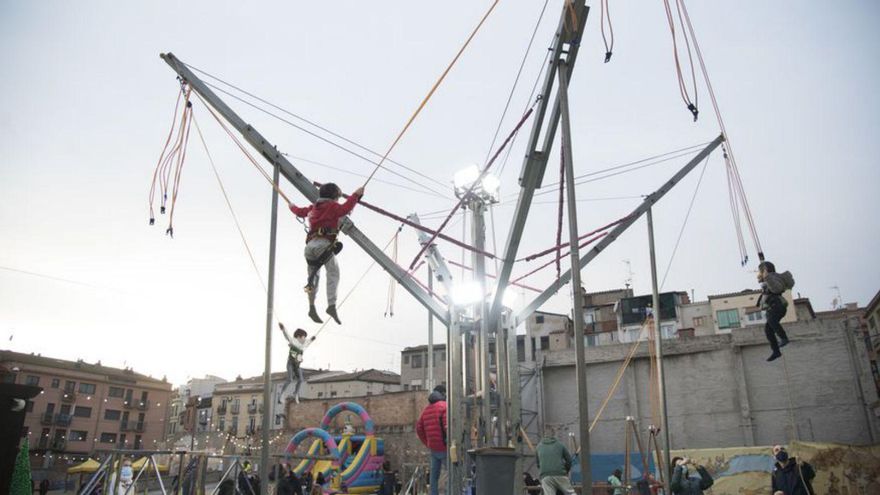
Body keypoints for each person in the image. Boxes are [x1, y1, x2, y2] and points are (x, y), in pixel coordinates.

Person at [289, 182, 365, 324]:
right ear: (335, 197)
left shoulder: (313, 207)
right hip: (323, 245)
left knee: (313, 278)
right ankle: (331, 305)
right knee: (333, 273)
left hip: (309, 247)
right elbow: (345, 208)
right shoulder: (333, 206)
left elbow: (299, 211)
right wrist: (356, 194)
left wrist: (291, 206)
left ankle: (311, 306)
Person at [757, 261, 792, 361]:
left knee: (772, 321)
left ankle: (784, 338)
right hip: (772, 307)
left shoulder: (773, 277)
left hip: (777, 305)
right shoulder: (768, 278)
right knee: (768, 330)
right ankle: (776, 351)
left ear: (765, 270)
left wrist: (767, 277)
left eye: (760, 271)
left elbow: (777, 289)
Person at [416, 385, 448, 495]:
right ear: (443, 394)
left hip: (433, 449)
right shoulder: (444, 406)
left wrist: (427, 442)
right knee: (451, 473)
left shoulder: (426, 410)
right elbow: (447, 426)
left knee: (434, 476)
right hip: (444, 447)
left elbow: (419, 428)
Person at [279, 324, 314, 404]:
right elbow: (287, 336)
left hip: (297, 365)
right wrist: (283, 328)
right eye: (303, 337)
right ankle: (282, 393)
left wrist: (312, 339)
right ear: (298, 336)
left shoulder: (303, 345)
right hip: (290, 363)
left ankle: (295, 393)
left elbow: (308, 342)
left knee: (301, 380)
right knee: (290, 379)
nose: (305, 339)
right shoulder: (293, 341)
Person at [535, 426, 575, 495]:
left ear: (544, 435)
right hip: (560, 474)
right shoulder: (560, 445)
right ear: (554, 434)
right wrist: (566, 470)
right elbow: (569, 460)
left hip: (545, 476)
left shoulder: (538, 447)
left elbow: (538, 464)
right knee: (570, 493)